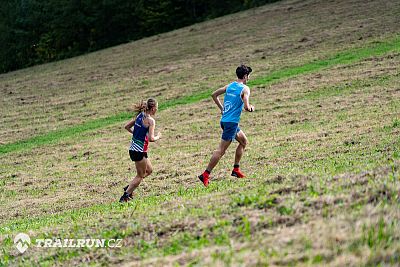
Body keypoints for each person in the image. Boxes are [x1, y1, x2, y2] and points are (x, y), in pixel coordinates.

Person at [198, 65, 254, 187]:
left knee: (243, 141)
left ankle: (236, 169)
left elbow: (214, 95)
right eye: (248, 76)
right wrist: (251, 108)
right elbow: (246, 106)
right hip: (231, 123)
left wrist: (222, 109)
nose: (249, 78)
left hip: (225, 121)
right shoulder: (245, 89)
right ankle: (205, 174)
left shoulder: (230, 86)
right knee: (221, 150)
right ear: (245, 76)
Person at [119, 98, 161, 202]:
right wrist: (158, 136)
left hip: (135, 149)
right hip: (139, 151)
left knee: (149, 170)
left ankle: (130, 187)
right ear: (153, 108)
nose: (157, 110)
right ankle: (125, 197)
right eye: (157, 108)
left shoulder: (140, 115)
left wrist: (137, 134)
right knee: (140, 175)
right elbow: (151, 138)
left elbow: (127, 127)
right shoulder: (151, 121)